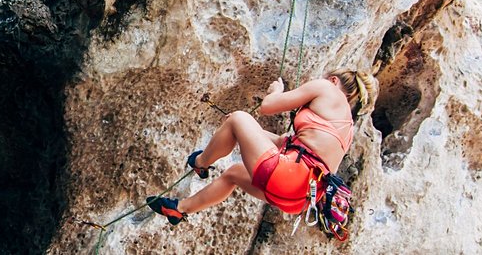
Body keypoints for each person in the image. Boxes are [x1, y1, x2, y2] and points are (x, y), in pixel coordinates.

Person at [147, 69, 378, 224]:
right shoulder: (346, 127)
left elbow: (268, 106)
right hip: (299, 198)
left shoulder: (328, 88)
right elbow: (283, 144)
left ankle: (200, 163)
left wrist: (276, 92)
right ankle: (180, 208)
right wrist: (242, 130)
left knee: (239, 117)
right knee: (234, 174)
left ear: (334, 80)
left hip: (287, 175)